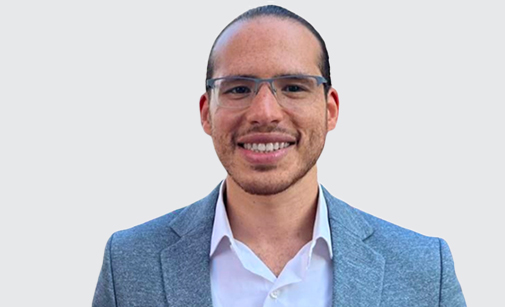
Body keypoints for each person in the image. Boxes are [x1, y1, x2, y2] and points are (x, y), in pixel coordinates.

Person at [93, 5, 466, 307]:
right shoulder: (128, 265)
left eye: (292, 87)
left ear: (330, 109)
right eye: (239, 88)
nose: (265, 112)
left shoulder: (423, 270)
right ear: (206, 112)